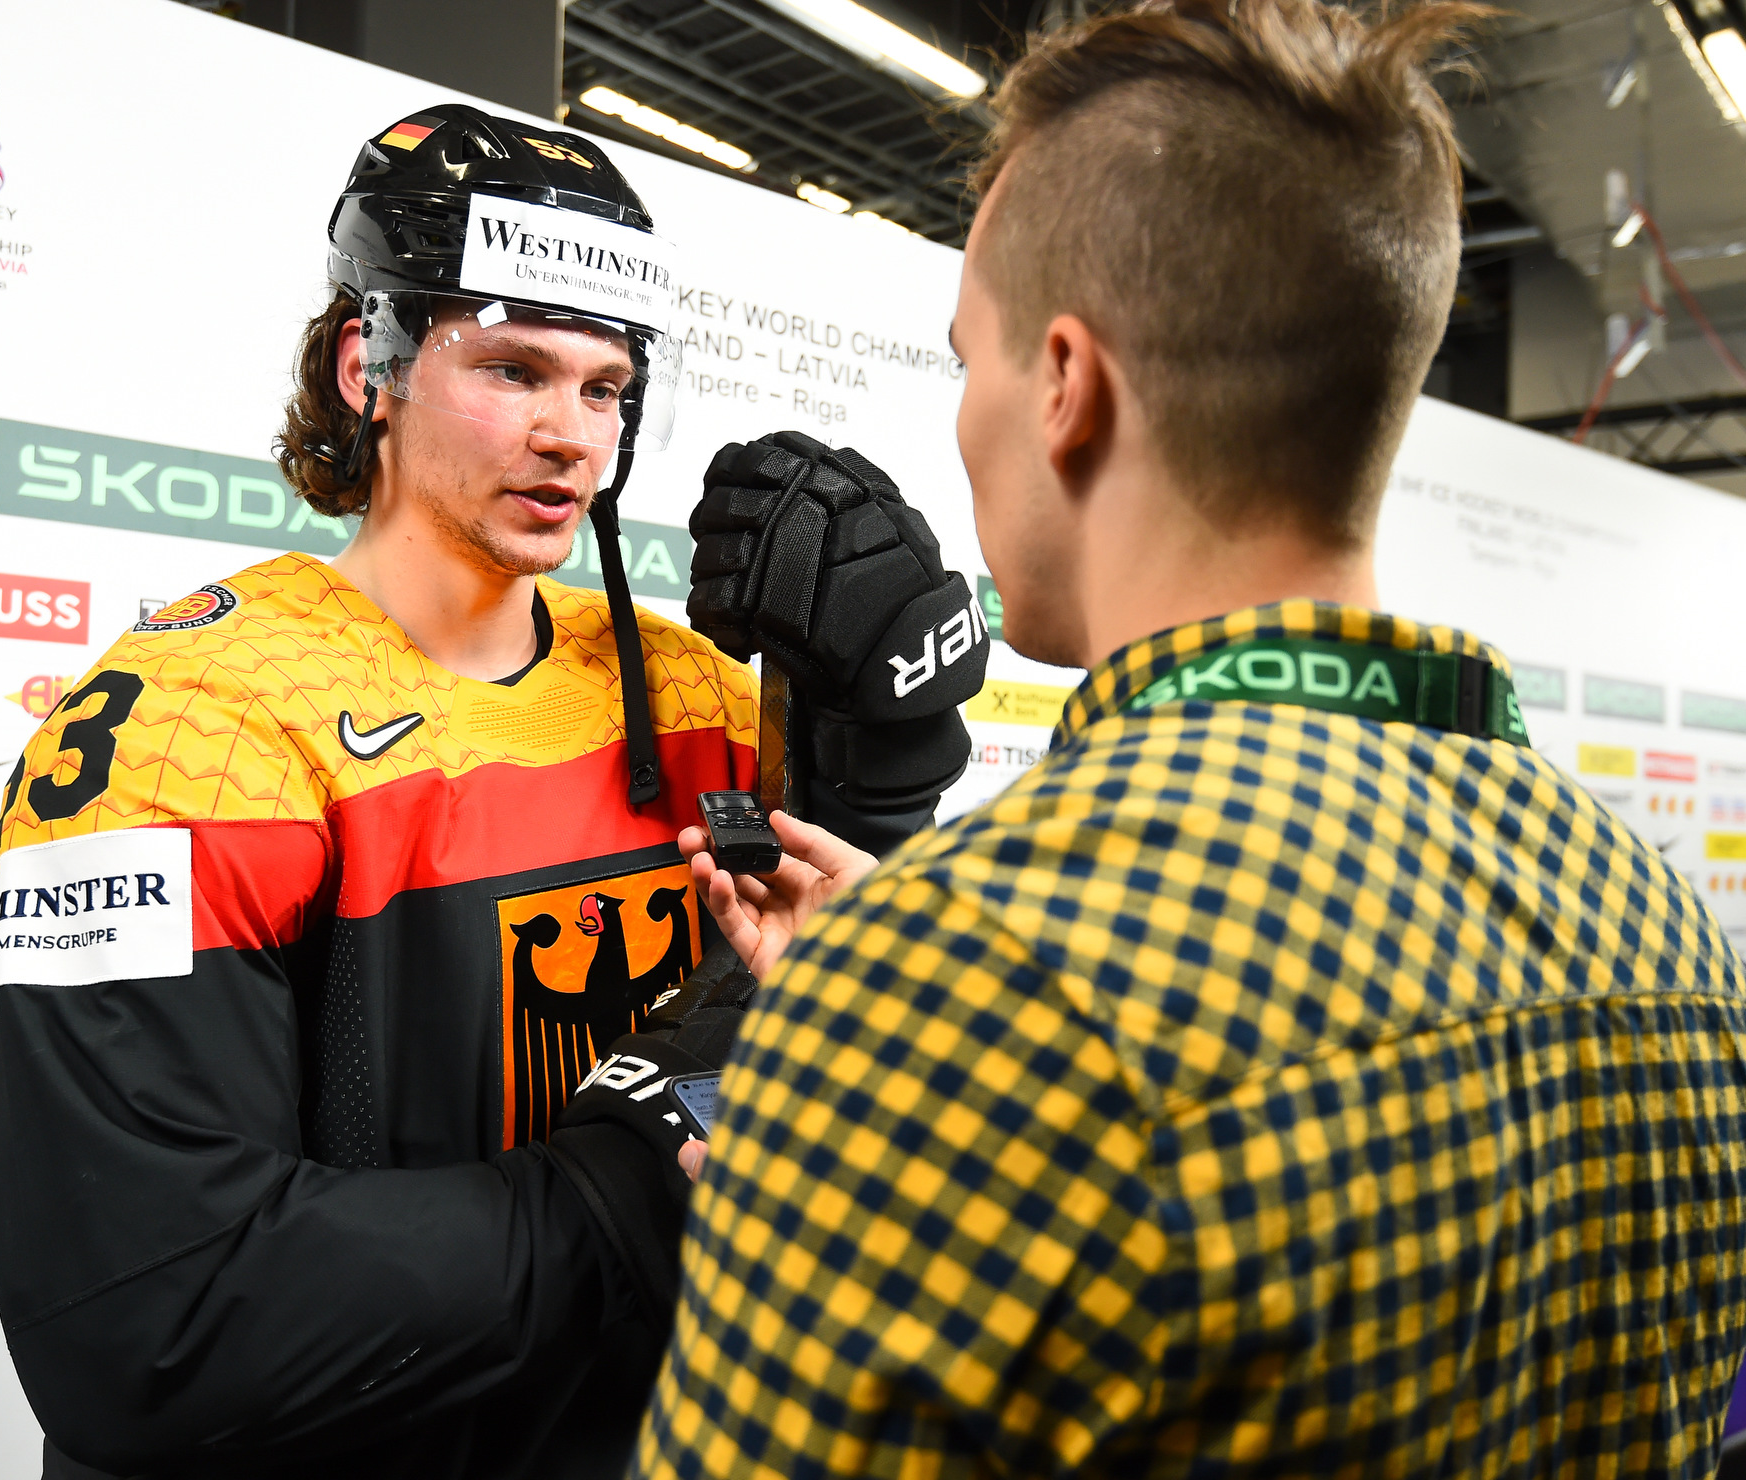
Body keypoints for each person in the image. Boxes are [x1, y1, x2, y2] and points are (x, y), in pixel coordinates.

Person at [640, 1, 1746, 1475]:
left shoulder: (959, 990)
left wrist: (861, 1074)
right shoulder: (1663, 928)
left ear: (1066, 386)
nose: (966, 420)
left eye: (969, 362)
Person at [0, 105, 982, 1480]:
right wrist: (645, 1166)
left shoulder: (690, 691)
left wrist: (887, 754)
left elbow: (817, 963)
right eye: (515, 370)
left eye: (606, 387)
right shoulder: (187, 726)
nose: (573, 436)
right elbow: (161, 1321)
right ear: (368, 366)